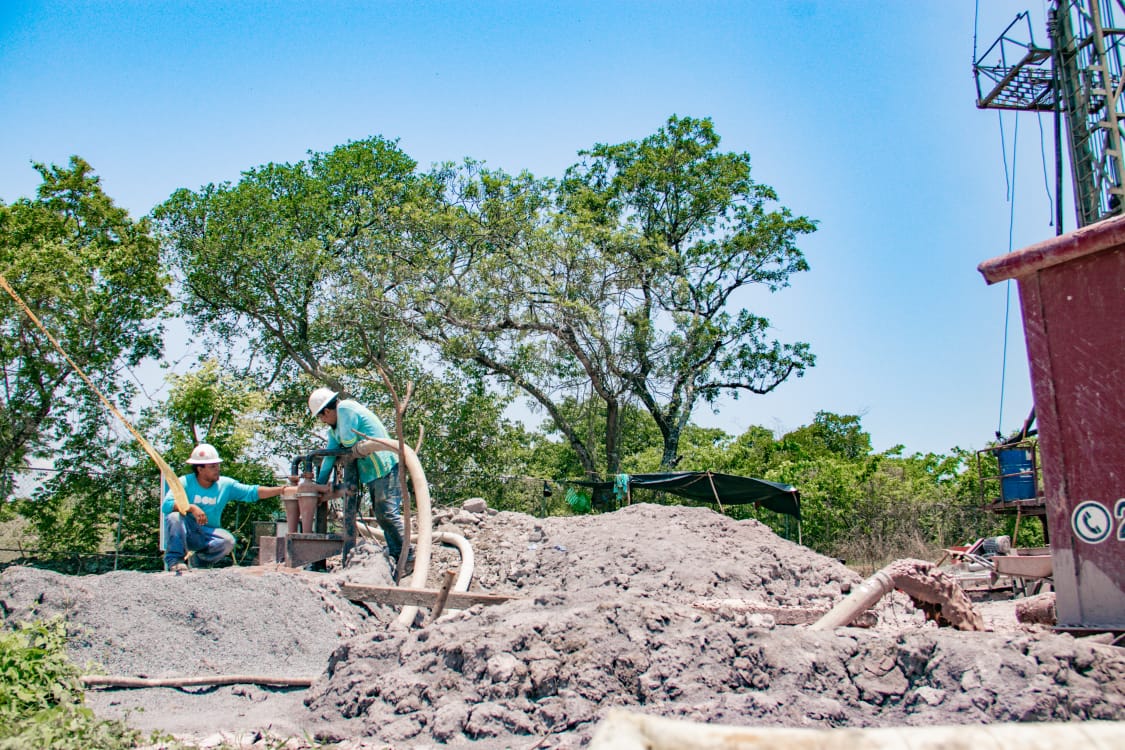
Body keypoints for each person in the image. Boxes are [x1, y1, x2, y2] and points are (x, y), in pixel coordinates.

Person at [308, 387, 409, 574]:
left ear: (328, 411)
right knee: (381, 514)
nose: (322, 421)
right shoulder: (333, 431)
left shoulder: (346, 409)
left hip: (385, 465)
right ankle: (397, 554)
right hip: (372, 473)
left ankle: (408, 555)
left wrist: (343, 444)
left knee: (387, 512)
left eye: (321, 417)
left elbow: (348, 441)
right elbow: (329, 457)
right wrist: (319, 485)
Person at [162, 443, 291, 572]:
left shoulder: (225, 485)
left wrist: (282, 490)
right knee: (174, 517)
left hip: (208, 534)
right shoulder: (184, 482)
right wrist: (191, 507)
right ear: (200, 469)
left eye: (218, 465)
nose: (217, 469)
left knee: (227, 541)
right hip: (185, 532)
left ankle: (199, 562)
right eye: (212, 466)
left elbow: (252, 492)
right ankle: (175, 561)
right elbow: (166, 506)